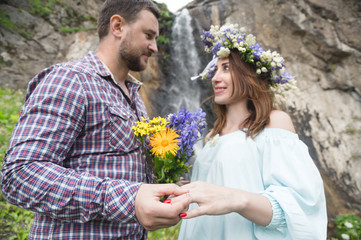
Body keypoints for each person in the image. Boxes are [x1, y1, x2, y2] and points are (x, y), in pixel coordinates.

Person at [0, 0, 191, 239]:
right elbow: (19, 175)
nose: (154, 47)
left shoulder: (135, 98)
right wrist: (129, 199)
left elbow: (121, 174)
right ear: (118, 26)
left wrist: (161, 193)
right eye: (149, 35)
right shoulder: (69, 80)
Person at [177, 24, 327, 239]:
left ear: (249, 75)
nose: (215, 78)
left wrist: (237, 199)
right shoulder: (212, 135)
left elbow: (297, 207)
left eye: (226, 68)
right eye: (215, 69)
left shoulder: (274, 123)